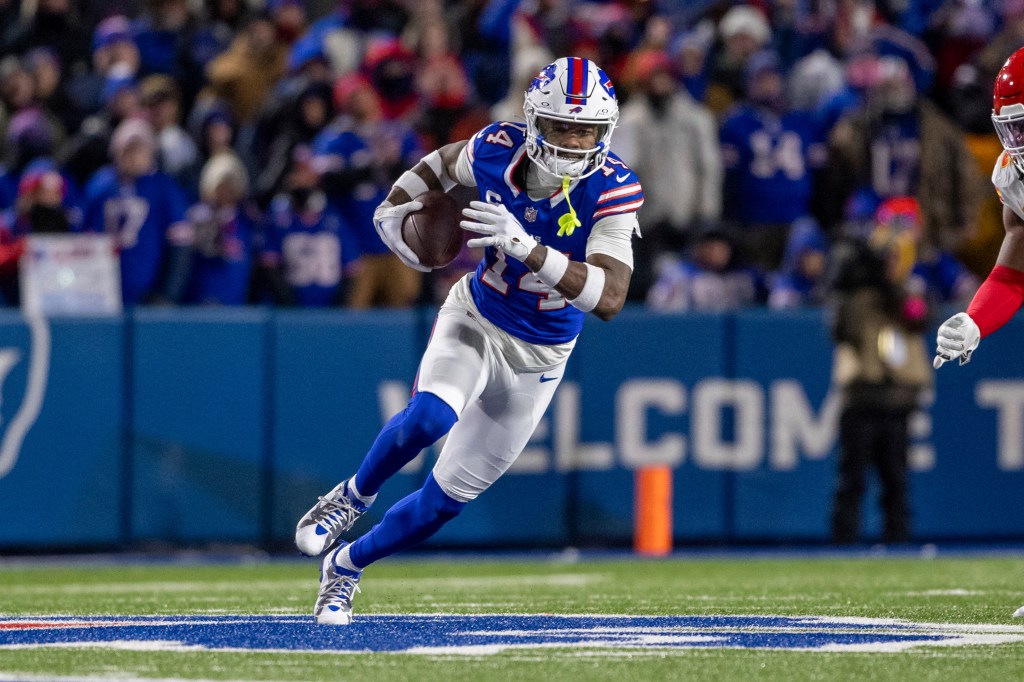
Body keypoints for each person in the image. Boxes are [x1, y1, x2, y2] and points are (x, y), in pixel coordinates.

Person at [294, 57, 642, 625]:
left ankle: (346, 566)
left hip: (541, 356)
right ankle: (350, 497)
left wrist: (529, 247)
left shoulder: (612, 191)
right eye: (563, 126)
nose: (576, 141)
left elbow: (609, 297)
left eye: (587, 130)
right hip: (479, 316)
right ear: (535, 123)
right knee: (430, 417)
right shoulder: (496, 147)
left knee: (442, 504)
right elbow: (439, 167)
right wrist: (392, 210)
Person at [934, 46, 1024, 371]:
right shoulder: (1014, 178)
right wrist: (975, 320)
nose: (1018, 141)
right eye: (1012, 129)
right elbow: (1012, 277)